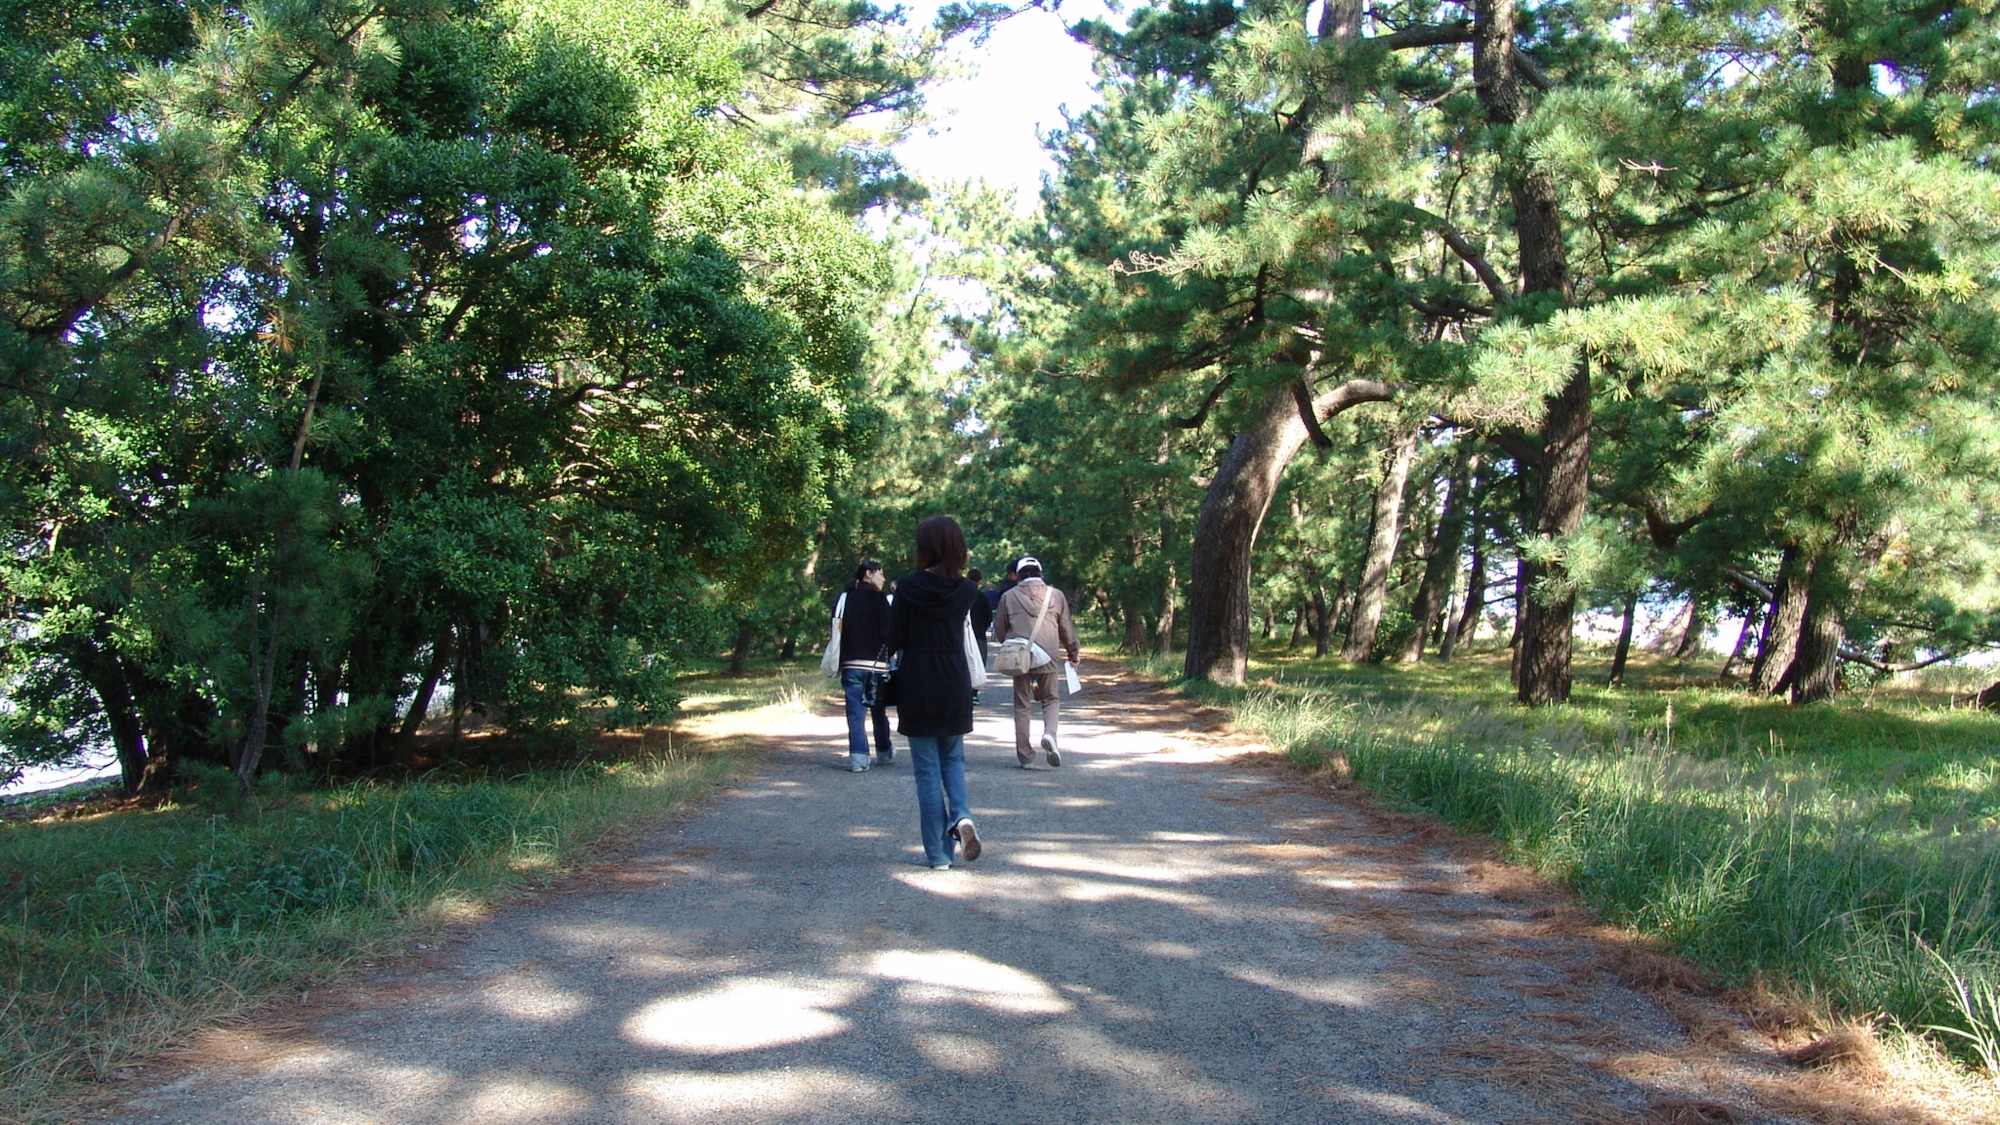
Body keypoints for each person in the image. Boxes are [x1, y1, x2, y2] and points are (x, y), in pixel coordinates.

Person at [886, 516, 984, 869]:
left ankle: (939, 855)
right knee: (954, 759)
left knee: (926, 771)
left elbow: (893, 639)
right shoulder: (967, 591)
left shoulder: (907, 589)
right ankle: (961, 816)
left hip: (918, 682)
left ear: (924, 548)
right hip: (954, 679)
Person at [992, 555, 1079, 768]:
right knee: (1050, 699)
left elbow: (1000, 629)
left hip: (1019, 653)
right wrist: (1072, 653)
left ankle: (1025, 756)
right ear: (1040, 573)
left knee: (1022, 705)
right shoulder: (1056, 595)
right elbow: (1066, 627)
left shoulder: (1009, 596)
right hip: (1048, 653)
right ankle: (1050, 734)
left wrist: (1011, 645)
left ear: (1018, 576)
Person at [835, 562, 893, 772]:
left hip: (851, 664)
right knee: (878, 711)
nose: (883, 579)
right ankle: (884, 751)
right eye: (880, 573)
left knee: (855, 714)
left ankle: (858, 758)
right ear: (868, 574)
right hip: (876, 666)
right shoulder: (881, 600)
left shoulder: (844, 598)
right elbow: (889, 634)